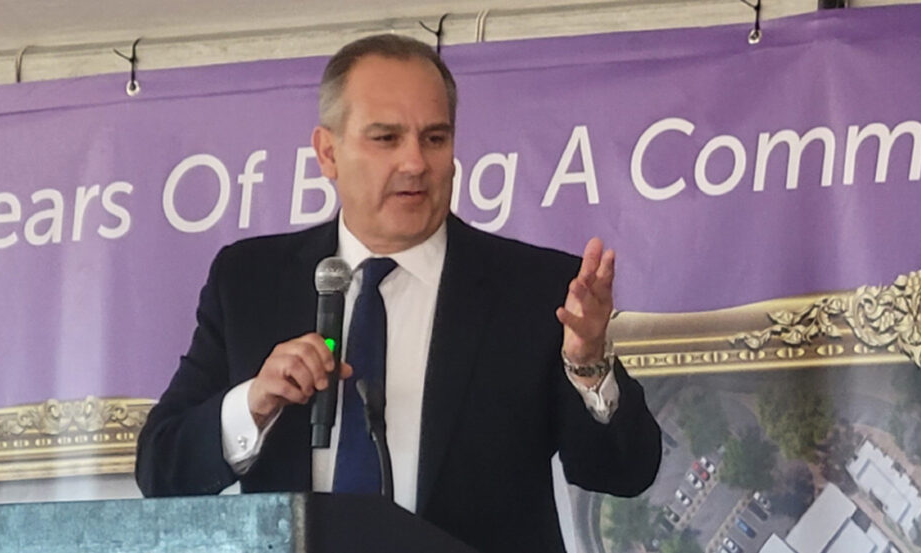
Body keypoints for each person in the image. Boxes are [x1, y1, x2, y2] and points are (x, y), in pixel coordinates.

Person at [136, 34, 661, 553]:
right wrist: (253, 404)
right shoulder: (250, 281)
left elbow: (624, 471)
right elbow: (161, 470)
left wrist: (589, 365)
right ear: (327, 152)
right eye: (386, 138)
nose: (415, 163)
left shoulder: (536, 290)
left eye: (434, 138)